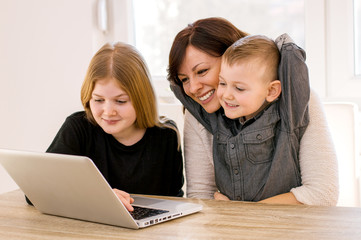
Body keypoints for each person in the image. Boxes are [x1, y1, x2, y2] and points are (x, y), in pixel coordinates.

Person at [167, 17, 338, 205]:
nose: (193, 88)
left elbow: (323, 193)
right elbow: (201, 197)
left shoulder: (298, 101)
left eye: (202, 71)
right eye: (184, 79)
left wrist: (241, 211)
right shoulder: (198, 114)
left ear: (231, 58)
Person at [44, 42, 184, 211]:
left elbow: (175, 201)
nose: (108, 112)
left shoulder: (166, 135)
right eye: (98, 100)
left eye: (120, 101)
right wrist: (98, 197)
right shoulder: (78, 128)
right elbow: (37, 192)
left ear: (142, 98)